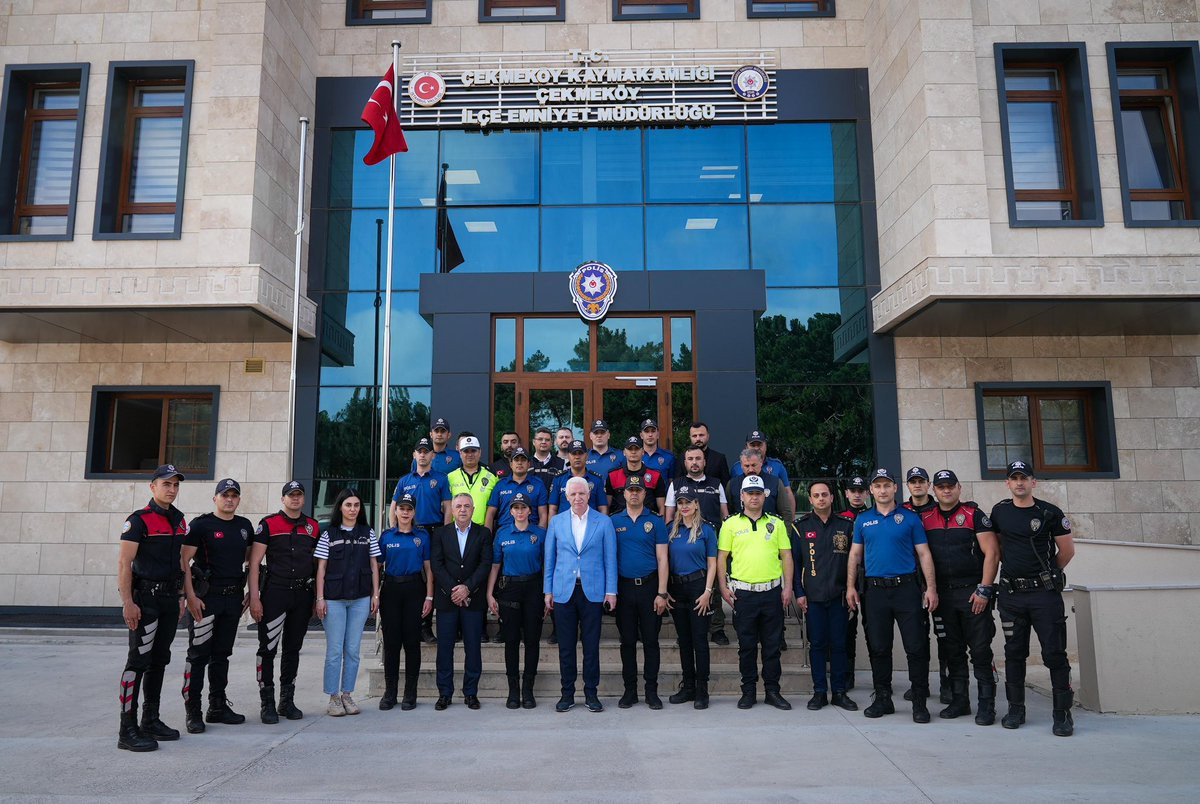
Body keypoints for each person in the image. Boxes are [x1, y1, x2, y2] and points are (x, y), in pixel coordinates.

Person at [990, 460, 1076, 737]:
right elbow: (997, 547)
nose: (1019, 483)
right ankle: (1016, 709)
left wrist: (1048, 575)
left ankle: (1062, 714)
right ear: (1008, 483)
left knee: (1054, 654)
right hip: (1011, 595)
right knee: (1014, 653)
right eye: (1014, 478)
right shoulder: (1000, 511)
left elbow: (1067, 551)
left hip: (1043, 596)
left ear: (1033, 482)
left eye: (1024, 478)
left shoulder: (1049, 512)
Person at [845, 469, 938, 723]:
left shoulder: (910, 518)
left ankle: (919, 702)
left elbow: (924, 554)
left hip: (906, 589)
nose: (882, 490)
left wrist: (931, 588)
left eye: (887, 485)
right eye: (878, 486)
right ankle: (883, 699)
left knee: (916, 647)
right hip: (875, 592)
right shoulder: (863, 520)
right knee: (879, 647)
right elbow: (855, 555)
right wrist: (851, 587)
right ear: (871, 491)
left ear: (895, 488)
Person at [116, 464, 189, 752]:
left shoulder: (180, 520)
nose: (172, 489)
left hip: (170, 600)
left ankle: (150, 720)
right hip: (145, 600)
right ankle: (127, 729)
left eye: (175, 485)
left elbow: (181, 562)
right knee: (137, 662)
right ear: (153, 486)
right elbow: (124, 563)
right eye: (166, 484)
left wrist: (182, 595)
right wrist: (128, 602)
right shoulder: (138, 520)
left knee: (159, 660)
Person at [922, 469, 1000, 724]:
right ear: (934, 490)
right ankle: (960, 701)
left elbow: (992, 553)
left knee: (980, 651)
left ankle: (987, 706)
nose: (946, 490)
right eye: (941, 486)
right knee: (952, 651)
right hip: (943, 595)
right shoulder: (925, 518)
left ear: (959, 488)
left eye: (950, 486)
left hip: (972, 593)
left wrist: (984, 589)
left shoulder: (973, 515)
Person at [179, 478, 252, 734]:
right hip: (206, 599)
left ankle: (217, 707)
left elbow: (250, 561)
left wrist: (251, 591)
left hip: (232, 599)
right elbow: (184, 561)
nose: (229, 499)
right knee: (198, 656)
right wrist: (190, 596)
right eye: (224, 495)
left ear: (238, 499)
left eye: (234, 495)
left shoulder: (244, 526)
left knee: (222, 654)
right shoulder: (201, 525)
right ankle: (193, 711)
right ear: (215, 499)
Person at [717, 475, 794, 710]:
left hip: (772, 592)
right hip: (744, 594)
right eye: (749, 493)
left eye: (758, 493)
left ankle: (772, 691)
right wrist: (723, 587)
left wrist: (788, 586)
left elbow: (786, 556)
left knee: (772, 647)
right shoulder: (730, 524)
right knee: (746, 647)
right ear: (741, 496)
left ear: (764, 496)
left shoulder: (776, 523)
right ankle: (748, 691)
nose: (754, 497)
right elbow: (722, 557)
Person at [247, 480, 320, 725]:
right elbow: (254, 563)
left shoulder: (313, 526)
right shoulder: (268, 524)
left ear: (304, 498)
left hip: (302, 594)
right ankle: (266, 702)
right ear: (283, 499)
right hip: (275, 593)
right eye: (291, 495)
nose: (295, 498)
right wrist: (254, 597)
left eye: (299, 494)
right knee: (267, 648)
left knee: (292, 649)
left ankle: (286, 700)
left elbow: (318, 565)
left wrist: (316, 597)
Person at [544, 475, 618, 713]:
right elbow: (549, 559)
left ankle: (591, 693)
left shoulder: (603, 522)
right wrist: (548, 590)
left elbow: (610, 559)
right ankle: (567, 694)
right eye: (573, 494)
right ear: (566, 497)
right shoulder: (556, 522)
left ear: (589, 495)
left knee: (591, 646)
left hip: (592, 592)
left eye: (582, 493)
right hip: (564, 591)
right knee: (566, 646)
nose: (578, 497)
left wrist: (611, 591)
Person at [792, 480, 857, 712]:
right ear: (810, 499)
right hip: (813, 598)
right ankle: (819, 692)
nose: (821, 498)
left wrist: (853, 589)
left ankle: (839, 692)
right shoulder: (800, 527)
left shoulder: (847, 526)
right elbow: (795, 564)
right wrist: (799, 593)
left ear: (832, 497)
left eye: (824, 494)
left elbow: (855, 561)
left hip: (840, 597)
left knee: (839, 645)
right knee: (817, 645)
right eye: (816, 495)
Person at [314, 488, 380, 717]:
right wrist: (320, 598)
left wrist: (375, 595)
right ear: (340, 507)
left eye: (356, 505)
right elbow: (321, 568)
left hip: (360, 599)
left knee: (352, 650)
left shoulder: (367, 533)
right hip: (334, 600)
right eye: (348, 505)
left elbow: (374, 565)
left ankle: (347, 694)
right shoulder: (329, 534)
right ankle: (333, 697)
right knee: (334, 651)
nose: (353, 509)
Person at [610, 475, 670, 709]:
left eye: (638, 490)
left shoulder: (655, 521)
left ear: (645, 494)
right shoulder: (613, 521)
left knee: (651, 642)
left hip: (649, 588)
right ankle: (630, 691)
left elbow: (662, 558)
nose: (634, 493)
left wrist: (662, 593)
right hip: (624, 589)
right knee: (627, 642)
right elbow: (609, 557)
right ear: (624, 494)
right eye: (630, 490)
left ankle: (651, 692)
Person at [430, 494, 492, 710]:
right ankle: (444, 693)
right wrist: (454, 590)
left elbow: (485, 564)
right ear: (453, 510)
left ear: (473, 509)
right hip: (447, 600)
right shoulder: (440, 533)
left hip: (473, 600)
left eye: (467, 506)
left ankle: (471, 693)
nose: (463, 510)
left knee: (473, 648)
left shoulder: (483, 533)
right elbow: (437, 565)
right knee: (444, 650)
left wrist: (467, 588)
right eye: (458, 506)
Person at [486, 493, 547, 709]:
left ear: (530, 510)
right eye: (516, 507)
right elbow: (495, 565)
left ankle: (528, 690)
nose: (520, 511)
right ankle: (513, 690)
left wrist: (548, 594)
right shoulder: (502, 533)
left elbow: (547, 565)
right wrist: (489, 593)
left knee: (532, 640)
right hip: (509, 589)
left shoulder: (540, 533)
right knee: (511, 641)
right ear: (510, 511)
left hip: (534, 588)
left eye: (523, 507)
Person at [664, 445, 730, 646]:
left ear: (704, 462)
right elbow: (669, 516)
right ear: (685, 463)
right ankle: (684, 631)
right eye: (690, 459)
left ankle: (717, 628)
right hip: (683, 541)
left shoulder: (716, 484)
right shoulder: (676, 485)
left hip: (711, 541)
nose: (694, 462)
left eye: (698, 458)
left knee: (713, 587)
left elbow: (725, 515)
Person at [376, 493, 434, 711]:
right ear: (396, 510)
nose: (405, 512)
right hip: (391, 589)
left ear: (414, 512)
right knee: (391, 643)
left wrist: (429, 596)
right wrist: (375, 594)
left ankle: (410, 693)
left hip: (414, 589)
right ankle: (390, 692)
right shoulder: (386, 536)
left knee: (411, 643)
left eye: (409, 509)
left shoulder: (422, 536)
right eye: (402, 508)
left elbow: (429, 569)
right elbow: (376, 567)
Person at [392, 438, 452, 644]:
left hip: (434, 531)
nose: (423, 455)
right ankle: (411, 624)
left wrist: (445, 533)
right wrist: (396, 530)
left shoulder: (441, 479)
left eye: (427, 451)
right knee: (413, 576)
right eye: (420, 451)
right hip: (411, 531)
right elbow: (394, 507)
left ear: (432, 456)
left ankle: (425, 626)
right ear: (414, 455)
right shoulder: (404, 480)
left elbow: (448, 507)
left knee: (431, 576)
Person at [665, 490, 718, 709]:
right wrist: (664, 589)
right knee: (684, 640)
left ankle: (702, 689)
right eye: (680, 503)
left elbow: (713, 563)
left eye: (688, 502)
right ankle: (688, 687)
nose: (684, 506)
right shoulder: (671, 529)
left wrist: (708, 591)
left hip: (699, 586)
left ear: (696, 504)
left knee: (699, 640)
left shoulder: (707, 530)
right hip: (676, 588)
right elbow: (663, 560)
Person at [902, 466, 946, 703]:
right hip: (912, 581)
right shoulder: (901, 511)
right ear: (907, 485)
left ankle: (948, 684)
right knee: (918, 637)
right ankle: (920, 684)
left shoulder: (940, 509)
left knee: (946, 635)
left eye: (921, 481)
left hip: (940, 580)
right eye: (913, 481)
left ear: (928, 484)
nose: (917, 485)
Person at [840, 474, 871, 691]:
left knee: (874, 630)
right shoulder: (840, 518)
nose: (857, 495)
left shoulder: (874, 515)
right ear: (847, 493)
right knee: (847, 630)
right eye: (853, 491)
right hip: (847, 579)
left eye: (861, 491)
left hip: (870, 578)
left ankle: (880, 677)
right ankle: (847, 675)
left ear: (867, 493)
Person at [486, 446, 549, 531]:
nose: (519, 463)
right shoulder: (500, 485)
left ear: (529, 464)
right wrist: (487, 536)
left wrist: (540, 535)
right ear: (511, 464)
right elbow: (490, 514)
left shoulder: (538, 484)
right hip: (505, 533)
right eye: (516, 460)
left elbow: (543, 515)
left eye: (523, 460)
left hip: (530, 533)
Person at [732, 429, 795, 512]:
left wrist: (791, 517)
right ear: (746, 447)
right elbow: (732, 494)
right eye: (752, 445)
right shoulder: (737, 468)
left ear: (766, 445)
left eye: (759, 445)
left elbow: (787, 493)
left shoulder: (777, 466)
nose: (756, 448)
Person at [606, 436, 667, 516]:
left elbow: (661, 507)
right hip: (619, 521)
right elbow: (607, 505)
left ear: (643, 452)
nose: (633, 452)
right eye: (630, 449)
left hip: (648, 521)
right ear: (624, 452)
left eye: (636, 449)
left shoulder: (655, 475)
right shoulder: (613, 475)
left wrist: (660, 522)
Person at [728, 450, 794, 523]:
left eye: (754, 465)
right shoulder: (732, 484)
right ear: (741, 465)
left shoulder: (775, 483)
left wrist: (785, 530)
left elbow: (786, 512)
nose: (750, 469)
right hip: (740, 528)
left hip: (770, 527)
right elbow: (728, 511)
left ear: (761, 463)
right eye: (747, 466)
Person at [447, 434, 499, 526]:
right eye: (466, 451)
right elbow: (446, 507)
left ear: (480, 452)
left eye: (473, 451)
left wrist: (487, 531)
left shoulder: (492, 477)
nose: (470, 454)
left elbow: (493, 508)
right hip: (456, 529)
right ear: (460, 453)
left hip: (481, 529)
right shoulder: (450, 477)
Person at [548, 439, 607, 516]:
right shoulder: (558, 479)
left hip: (591, 522)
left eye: (580, 453)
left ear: (587, 456)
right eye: (574, 454)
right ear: (568, 456)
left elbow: (602, 508)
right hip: (564, 523)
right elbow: (553, 509)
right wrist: (552, 524)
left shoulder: (597, 480)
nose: (577, 457)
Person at [529, 427, 565, 492]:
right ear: (534, 442)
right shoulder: (527, 463)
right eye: (540, 439)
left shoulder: (561, 463)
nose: (543, 442)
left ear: (551, 443)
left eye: (547, 440)